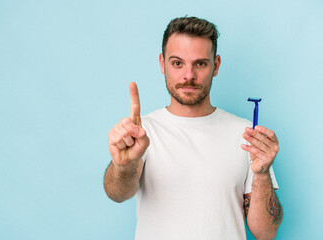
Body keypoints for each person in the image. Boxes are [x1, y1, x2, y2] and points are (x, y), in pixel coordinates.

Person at [103, 16, 283, 240]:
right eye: (177, 63)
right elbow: (118, 194)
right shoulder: (142, 133)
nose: (189, 75)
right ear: (162, 64)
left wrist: (263, 174)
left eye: (200, 63)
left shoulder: (246, 134)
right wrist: (123, 165)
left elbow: (265, 233)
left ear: (215, 65)